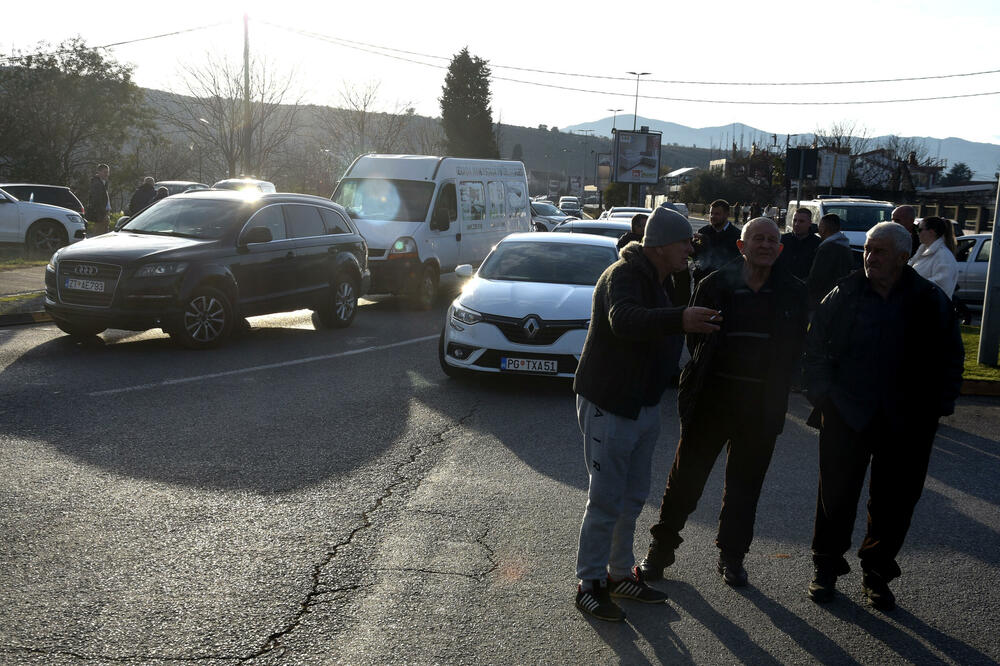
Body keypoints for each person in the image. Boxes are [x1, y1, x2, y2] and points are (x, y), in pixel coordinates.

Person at [639, 217, 808, 588]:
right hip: (711, 400)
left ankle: (732, 557)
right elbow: (696, 341)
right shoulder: (714, 285)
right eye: (758, 239)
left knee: (745, 488)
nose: (766, 245)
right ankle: (660, 550)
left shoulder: (794, 291)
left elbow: (797, 346)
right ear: (741, 246)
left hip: (761, 408)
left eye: (772, 240)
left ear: (780, 249)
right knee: (685, 481)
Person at [803, 221, 964, 611]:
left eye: (880, 251)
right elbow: (815, 346)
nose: (870, 257)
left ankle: (876, 573)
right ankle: (826, 567)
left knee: (895, 502)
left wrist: (936, 408)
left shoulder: (928, 299)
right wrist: (823, 396)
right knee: (835, 497)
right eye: (867, 250)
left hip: (907, 420)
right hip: (846, 413)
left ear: (903, 257)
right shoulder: (844, 293)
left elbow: (950, 358)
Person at [573, 207, 722, 622]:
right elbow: (623, 320)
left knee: (633, 496)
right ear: (660, 245)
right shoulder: (622, 274)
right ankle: (589, 583)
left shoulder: (664, 278)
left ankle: (620, 574)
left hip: (643, 403)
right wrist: (681, 319)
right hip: (610, 403)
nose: (690, 249)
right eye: (685, 242)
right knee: (606, 499)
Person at [806, 213, 855, 309]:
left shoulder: (826, 249)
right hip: (840, 297)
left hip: (823, 299)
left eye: (820, 226)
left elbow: (816, 277)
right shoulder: (845, 246)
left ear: (823, 228)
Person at [691, 199, 741, 284]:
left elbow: (738, 261)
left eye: (717, 214)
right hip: (702, 281)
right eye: (711, 213)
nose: (712, 216)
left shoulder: (736, 235)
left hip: (725, 283)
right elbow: (696, 257)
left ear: (727, 214)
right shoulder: (703, 231)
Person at [909, 215, 959, 297]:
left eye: (919, 229)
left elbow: (941, 285)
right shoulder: (923, 252)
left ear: (932, 232)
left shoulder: (943, 256)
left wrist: (911, 286)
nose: (917, 233)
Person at [775, 208, 821, 281]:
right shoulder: (782, 240)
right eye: (795, 220)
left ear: (809, 223)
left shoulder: (818, 244)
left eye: (801, 221)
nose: (796, 224)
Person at [86, 163, 111, 235]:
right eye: (105, 172)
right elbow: (96, 201)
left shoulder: (103, 183)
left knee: (104, 233)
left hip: (104, 213)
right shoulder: (97, 184)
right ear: (99, 172)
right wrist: (103, 213)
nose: (107, 174)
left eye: (108, 172)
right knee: (99, 234)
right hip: (100, 214)